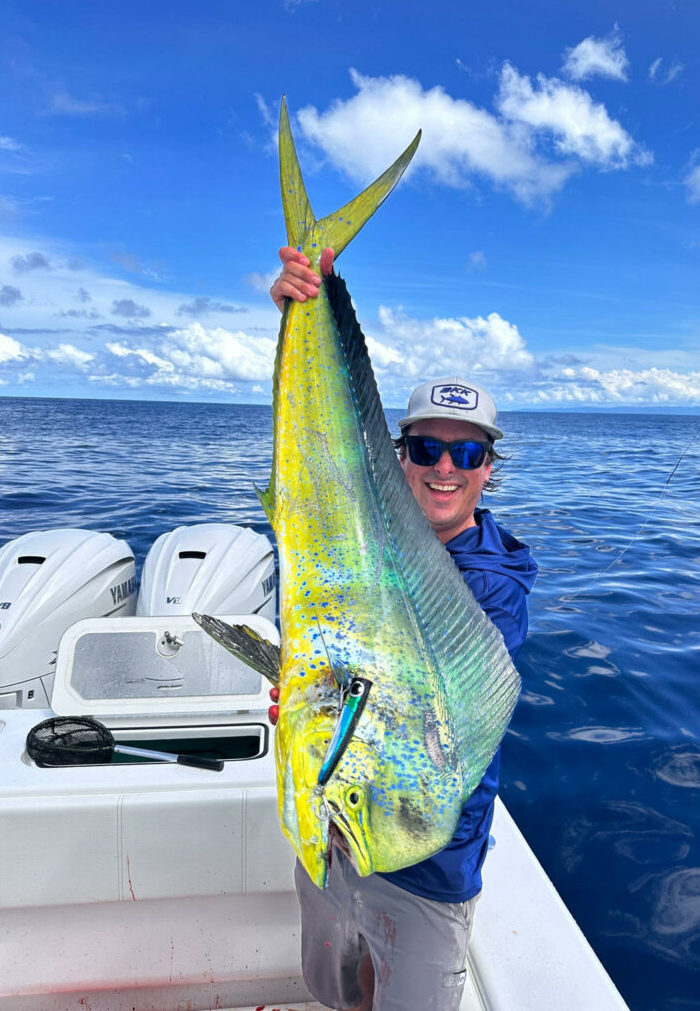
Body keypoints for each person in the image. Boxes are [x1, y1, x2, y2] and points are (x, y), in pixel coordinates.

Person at [270, 248, 538, 1011]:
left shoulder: (494, 580)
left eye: (467, 452)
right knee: (332, 990)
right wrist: (298, 306)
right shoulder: (350, 545)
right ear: (399, 457)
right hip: (328, 834)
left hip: (427, 872)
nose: (444, 468)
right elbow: (310, 462)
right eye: (425, 448)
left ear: (490, 468)